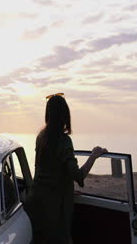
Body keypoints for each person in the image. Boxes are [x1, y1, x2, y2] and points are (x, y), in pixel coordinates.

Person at [23, 93, 107, 244]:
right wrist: (94, 155)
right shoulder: (64, 141)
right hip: (53, 210)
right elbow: (78, 175)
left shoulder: (41, 137)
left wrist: (65, 186)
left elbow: (44, 171)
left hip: (36, 203)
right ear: (65, 115)